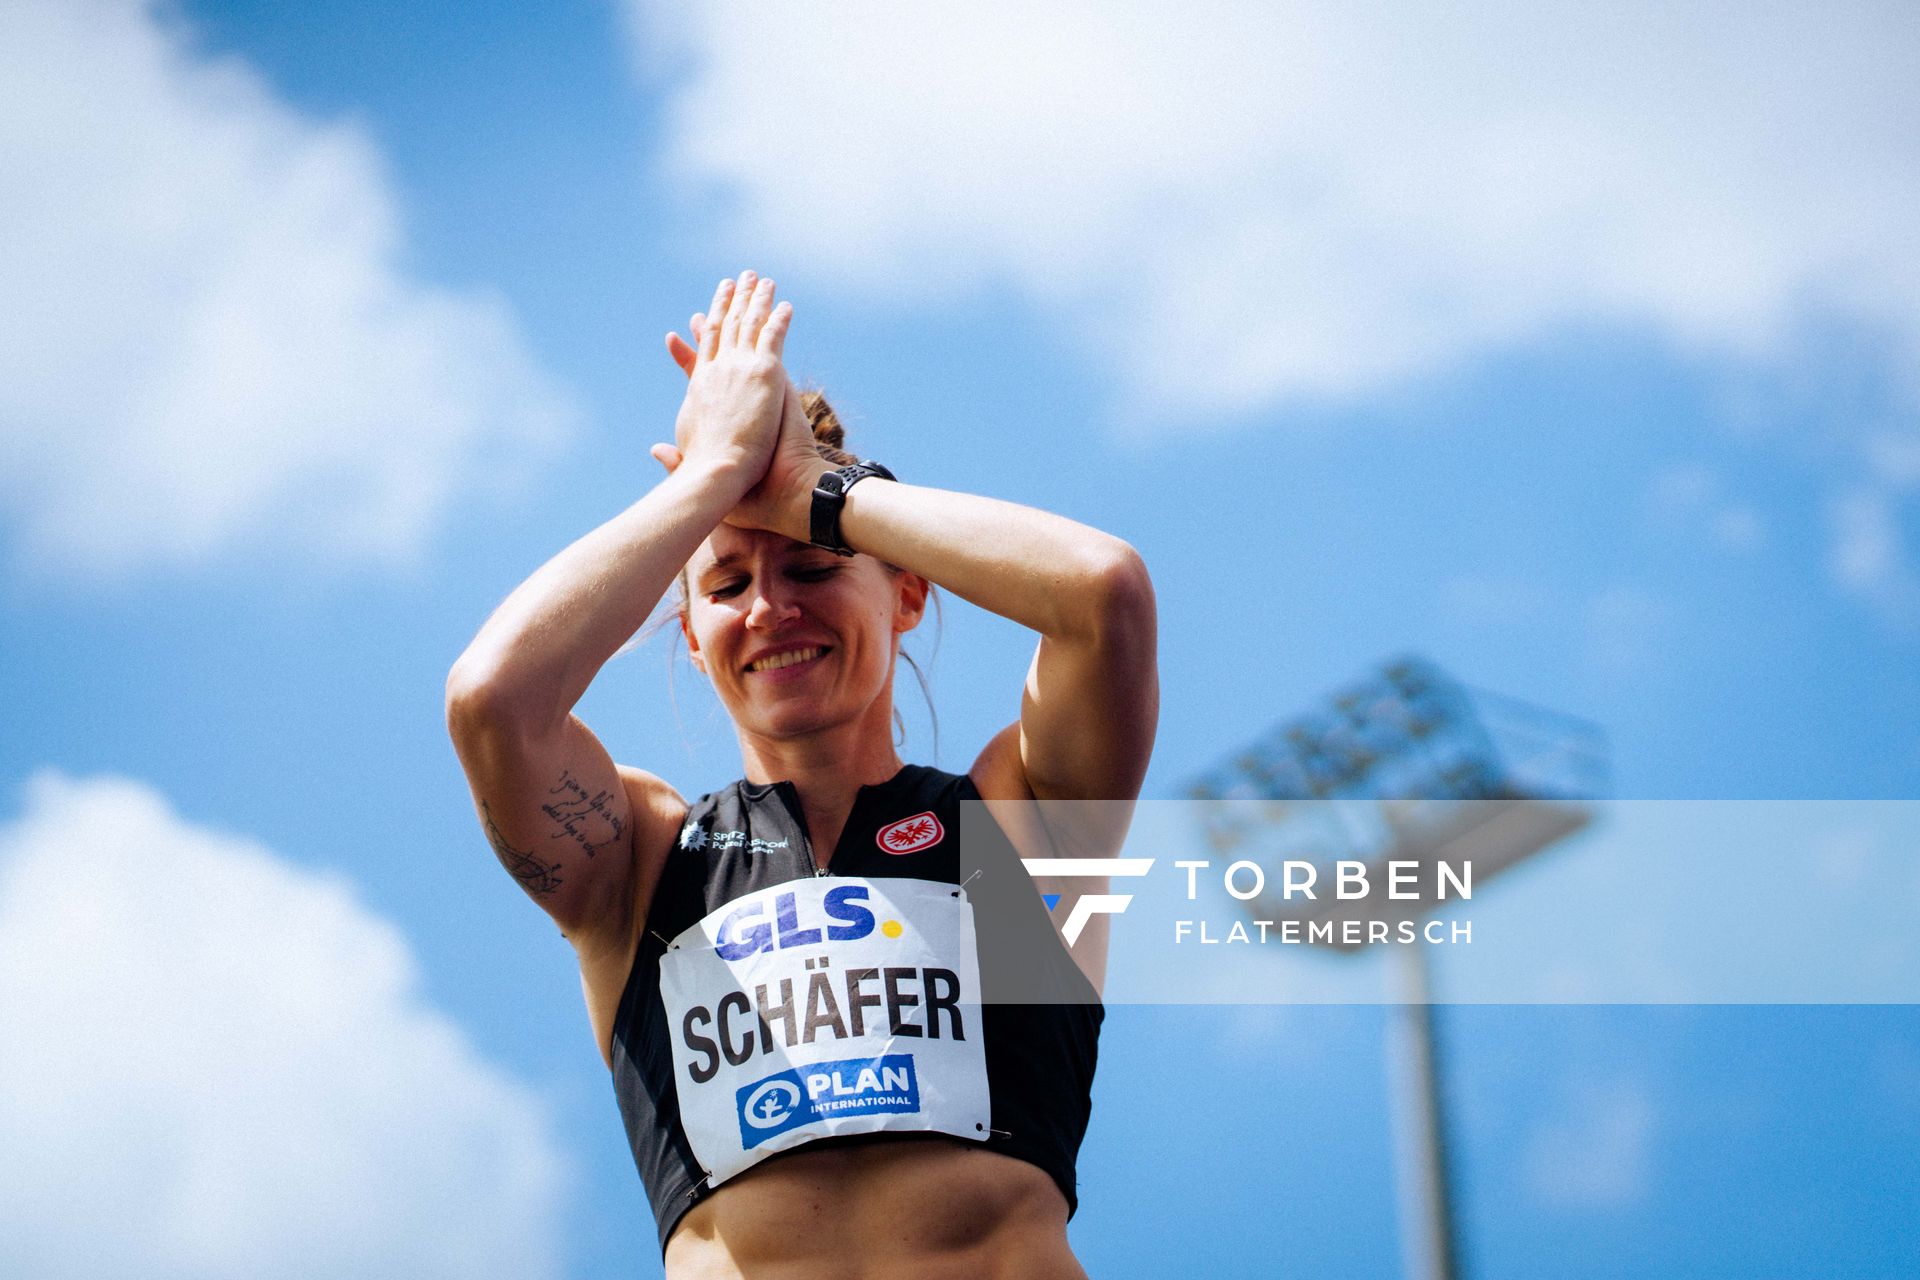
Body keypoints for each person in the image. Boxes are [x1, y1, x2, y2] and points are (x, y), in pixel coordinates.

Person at [446, 271, 1158, 1278]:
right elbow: (493, 699)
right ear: (692, 637)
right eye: (728, 583)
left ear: (908, 590)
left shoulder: (1018, 820)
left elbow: (1104, 592)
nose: (771, 607)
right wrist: (710, 481)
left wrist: (815, 497)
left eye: (812, 567)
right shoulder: (645, 858)